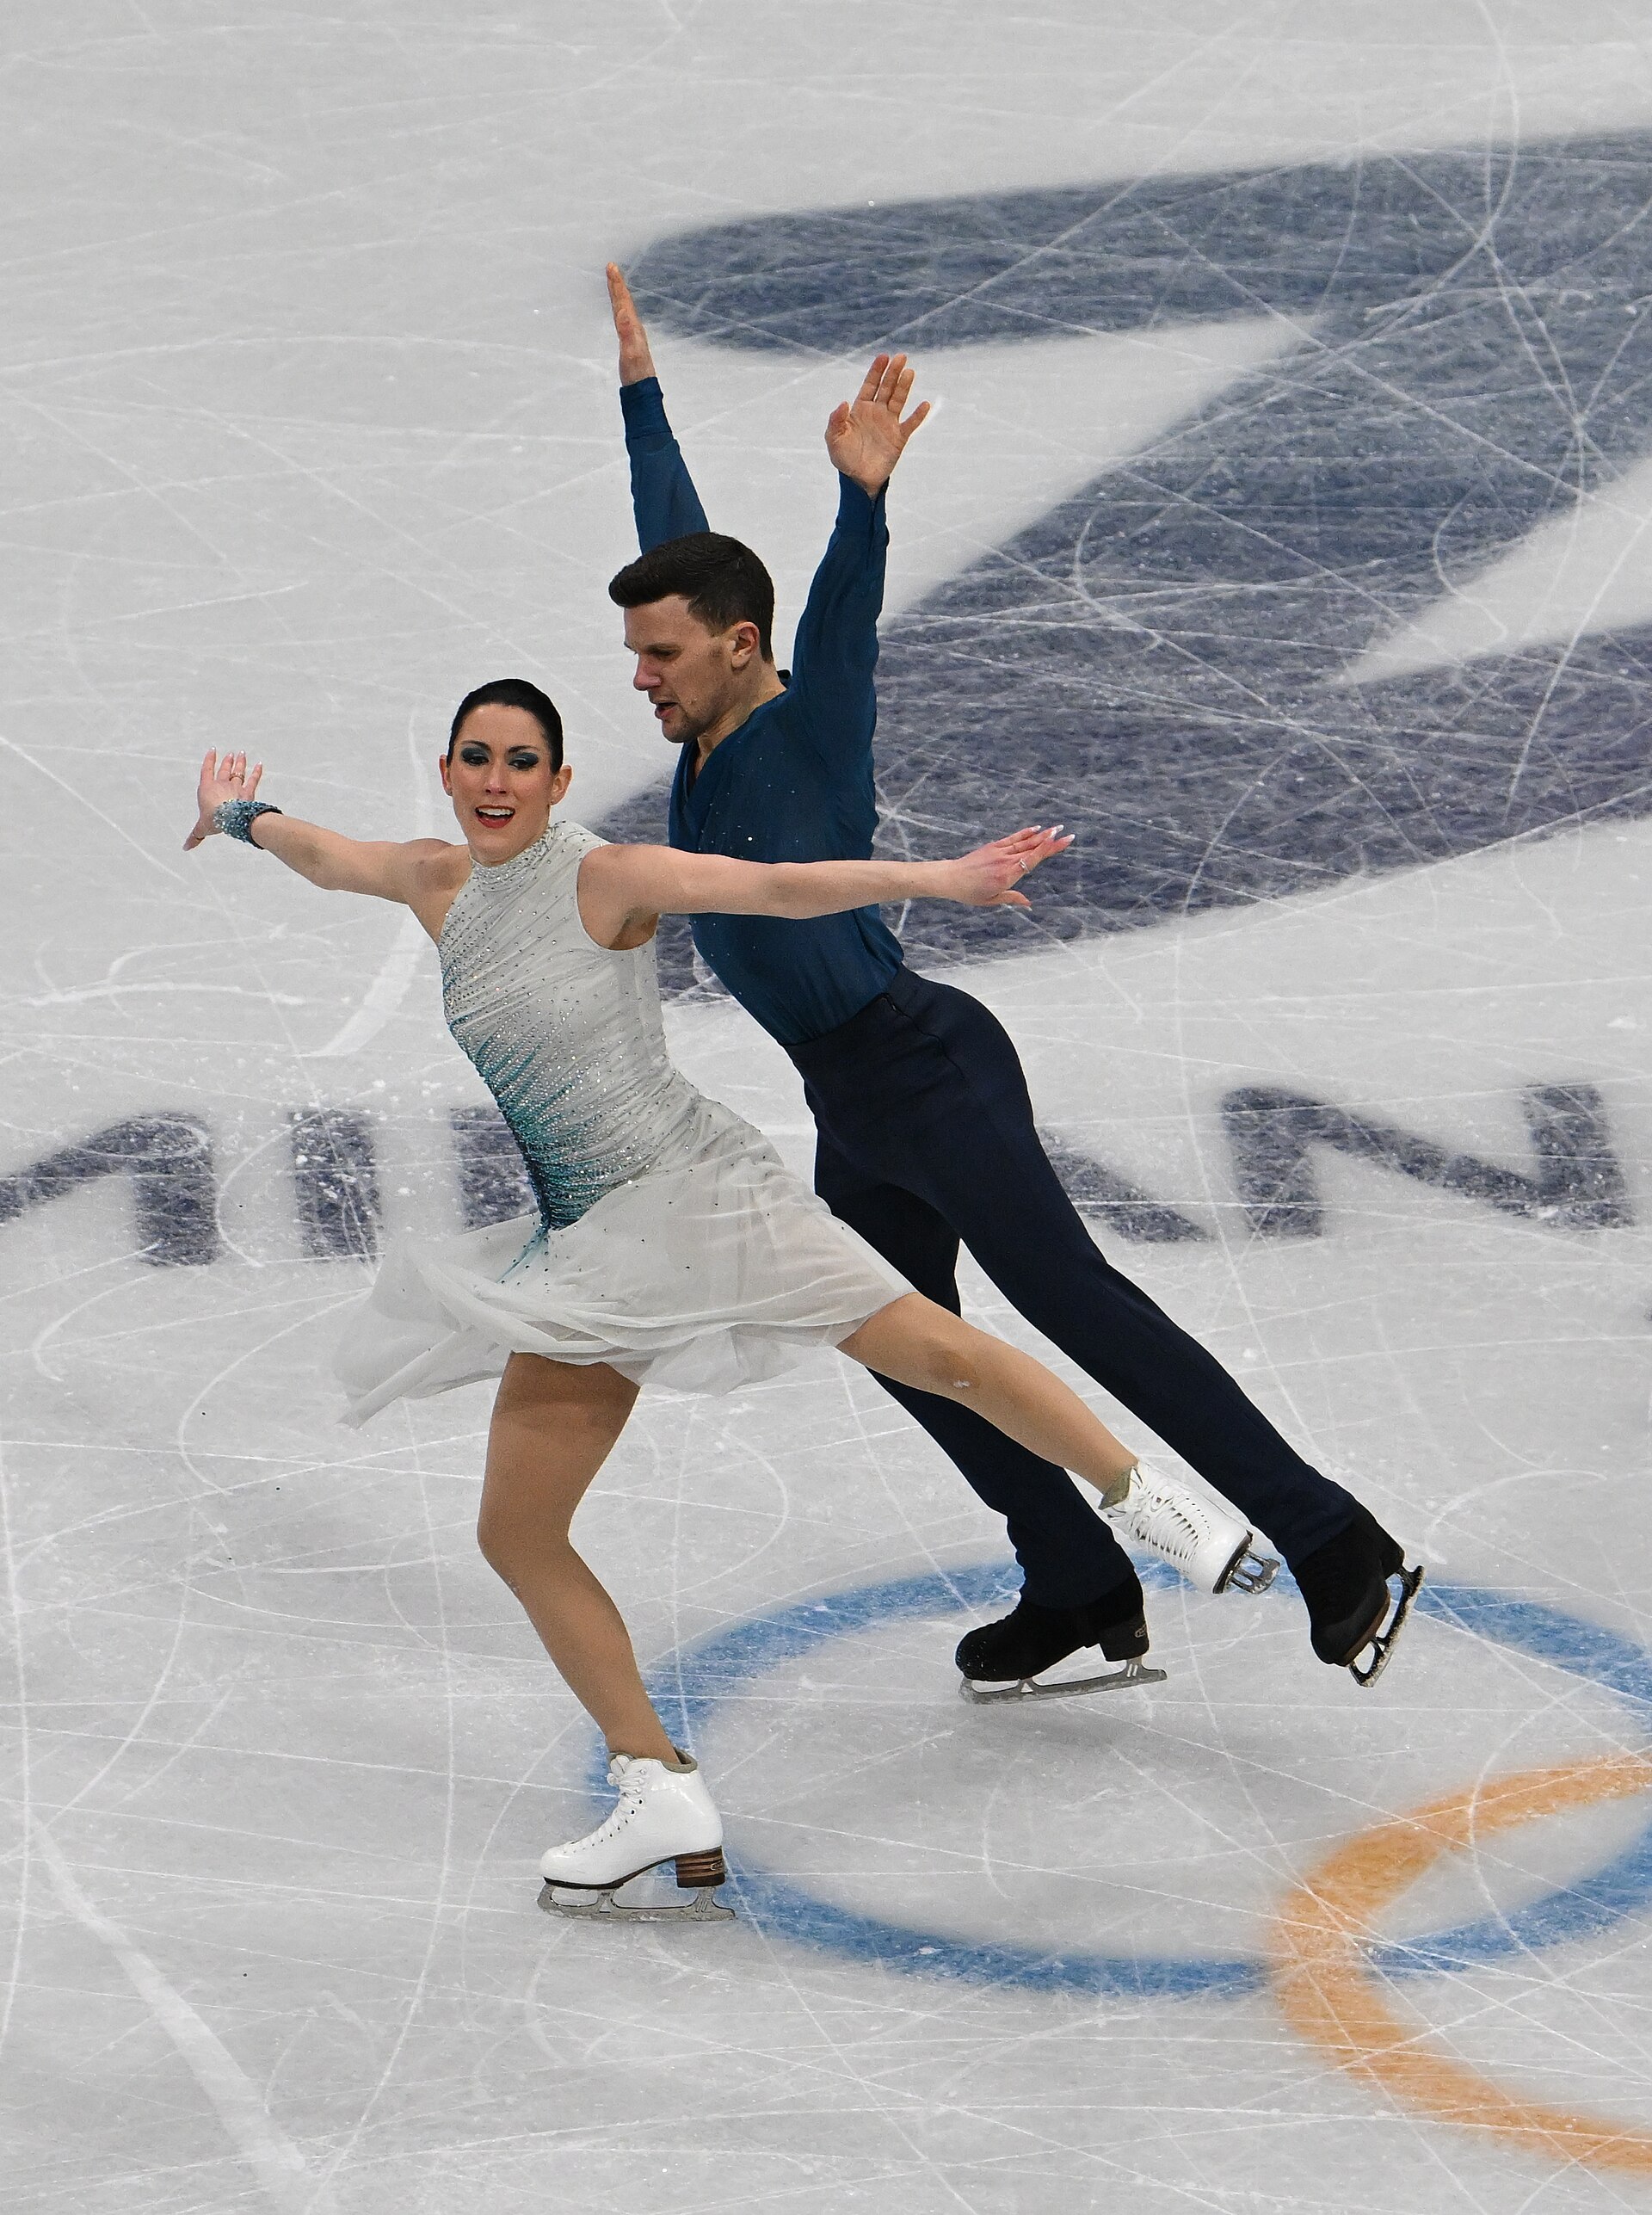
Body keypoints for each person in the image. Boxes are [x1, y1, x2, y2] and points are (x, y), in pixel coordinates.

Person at [182, 693, 1192, 1917]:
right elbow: (324, 854)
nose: (497, 780)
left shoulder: (607, 875)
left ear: (559, 782)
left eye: (524, 762)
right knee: (519, 1528)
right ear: (447, 769)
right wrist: (241, 815)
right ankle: (656, 1783)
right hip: (598, 1251)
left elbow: (773, 887)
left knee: (931, 1346)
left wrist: (947, 877)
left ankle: (1145, 1500)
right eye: (478, 759)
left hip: (698, 1201)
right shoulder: (434, 877)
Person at [601, 264, 1421, 1696]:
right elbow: (676, 544)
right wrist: (641, 397)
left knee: (1075, 1305)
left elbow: (839, 616)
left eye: (660, 657)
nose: (640, 682)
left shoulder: (807, 722)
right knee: (904, 1340)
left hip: (924, 1065)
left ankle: (1333, 1535)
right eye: (638, 655)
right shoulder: (705, 706)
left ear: (740, 648)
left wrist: (860, 502)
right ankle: (1076, 1571)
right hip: (854, 1100)